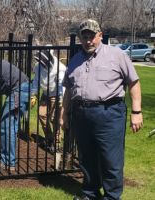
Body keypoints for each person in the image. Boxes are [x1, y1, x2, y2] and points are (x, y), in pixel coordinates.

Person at [60, 19, 143, 200]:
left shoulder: (117, 55)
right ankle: (90, 194)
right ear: (81, 38)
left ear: (100, 35)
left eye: (92, 36)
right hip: (81, 114)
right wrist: (64, 113)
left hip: (109, 113)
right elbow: (68, 89)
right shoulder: (75, 60)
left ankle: (112, 196)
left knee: (110, 160)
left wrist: (137, 112)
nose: (88, 40)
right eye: (85, 36)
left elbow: (134, 83)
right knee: (86, 158)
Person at [30, 48, 66, 153]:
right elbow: (36, 80)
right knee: (42, 115)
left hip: (56, 95)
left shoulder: (60, 68)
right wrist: (34, 94)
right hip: (45, 94)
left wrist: (61, 98)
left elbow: (61, 84)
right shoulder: (38, 67)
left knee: (55, 119)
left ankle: (57, 143)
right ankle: (49, 139)